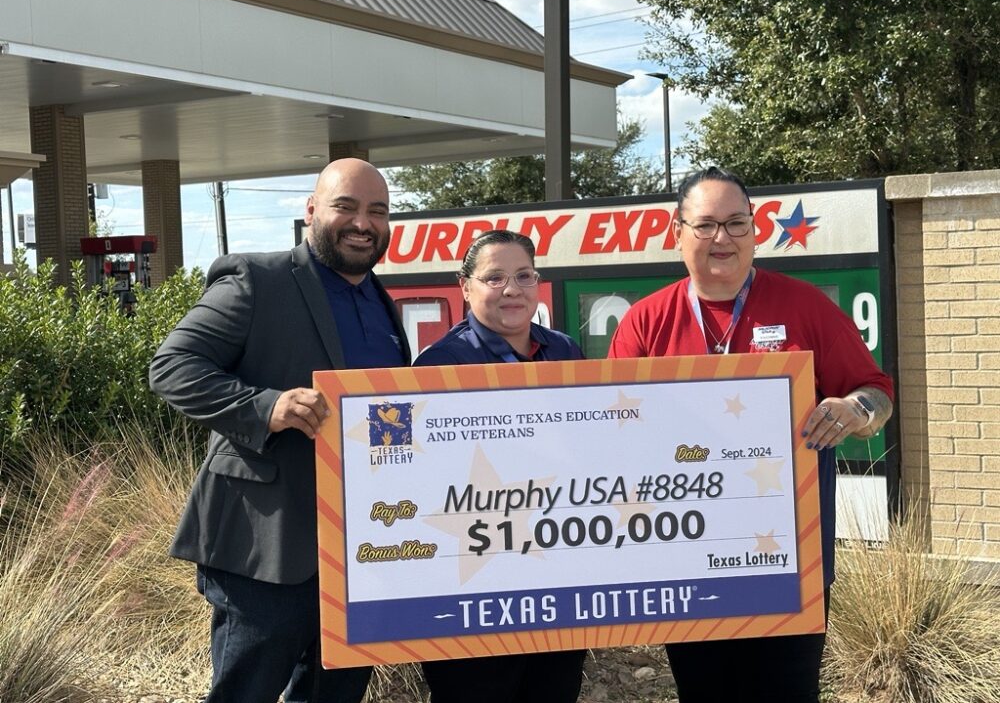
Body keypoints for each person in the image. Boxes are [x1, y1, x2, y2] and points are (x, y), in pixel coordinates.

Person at [607, 166, 894, 703]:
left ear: (756, 231)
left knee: (787, 690)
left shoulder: (805, 306)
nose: (723, 239)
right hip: (686, 556)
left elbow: (876, 392)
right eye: (707, 224)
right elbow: (614, 432)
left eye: (737, 223)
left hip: (789, 559)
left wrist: (855, 409)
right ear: (677, 232)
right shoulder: (645, 321)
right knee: (706, 691)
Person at [149, 158, 410, 703]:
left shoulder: (383, 304)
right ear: (312, 209)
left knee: (334, 695)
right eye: (346, 206)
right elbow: (173, 367)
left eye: (377, 211)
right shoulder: (256, 279)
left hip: (362, 548)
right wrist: (266, 406)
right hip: (264, 545)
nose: (362, 222)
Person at [414, 229, 587, 703]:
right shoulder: (439, 365)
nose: (512, 289)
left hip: (554, 572)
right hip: (476, 578)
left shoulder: (566, 352)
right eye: (495, 277)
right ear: (465, 286)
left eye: (524, 276)